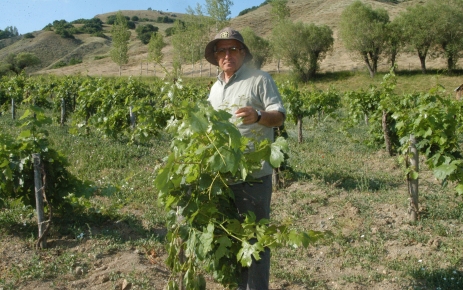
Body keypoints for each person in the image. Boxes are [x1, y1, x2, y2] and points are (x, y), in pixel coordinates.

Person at [205, 27, 286, 290]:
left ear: (243, 53)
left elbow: (280, 116)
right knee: (231, 240)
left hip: (253, 177)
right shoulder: (215, 88)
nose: (227, 54)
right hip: (221, 179)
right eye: (222, 50)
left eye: (233, 49)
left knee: (256, 242)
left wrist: (259, 116)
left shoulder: (259, 79)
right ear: (216, 56)